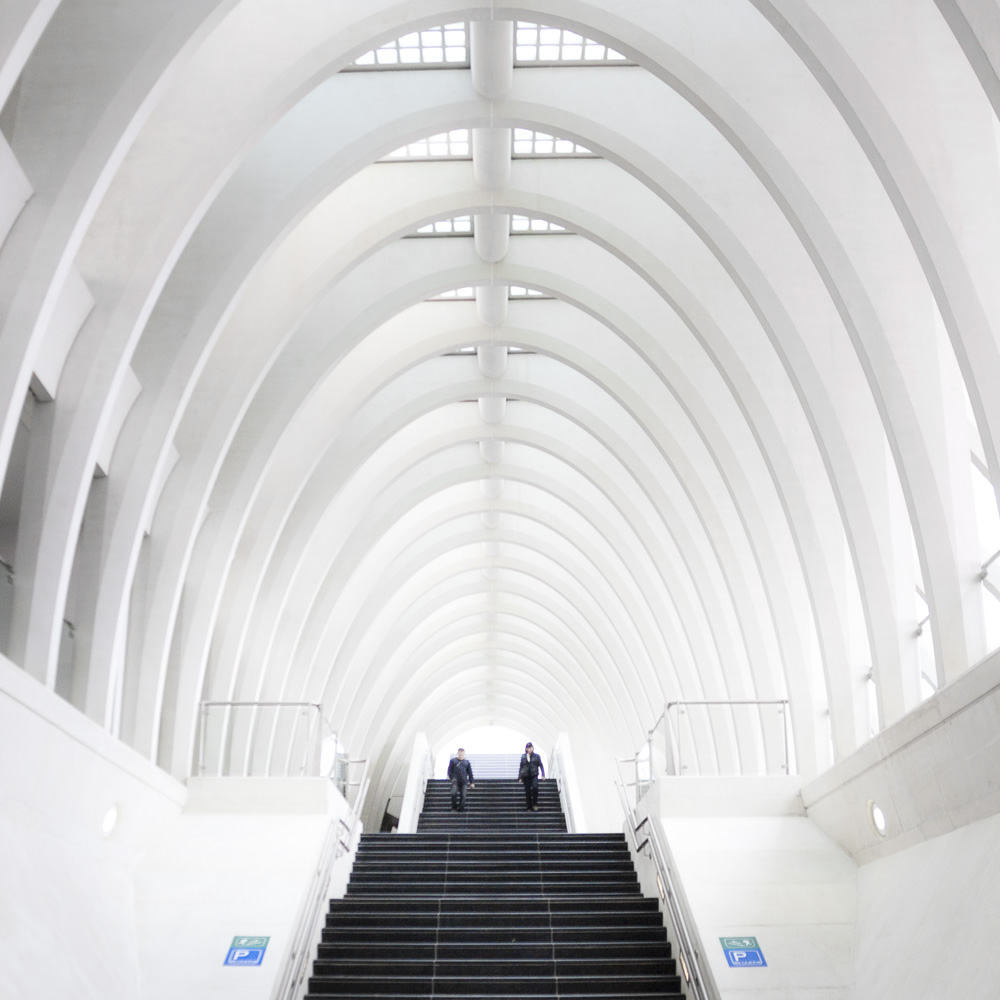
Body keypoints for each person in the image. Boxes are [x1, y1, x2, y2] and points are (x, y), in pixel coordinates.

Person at [518, 742, 545, 810]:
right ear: (526, 749)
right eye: (528, 748)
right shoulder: (523, 756)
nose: (529, 749)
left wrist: (543, 774)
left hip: (534, 775)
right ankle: (529, 806)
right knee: (527, 791)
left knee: (535, 788)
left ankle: (535, 804)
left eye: (530, 747)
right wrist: (520, 777)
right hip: (526, 776)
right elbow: (521, 767)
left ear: (533, 748)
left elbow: (541, 765)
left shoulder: (537, 756)